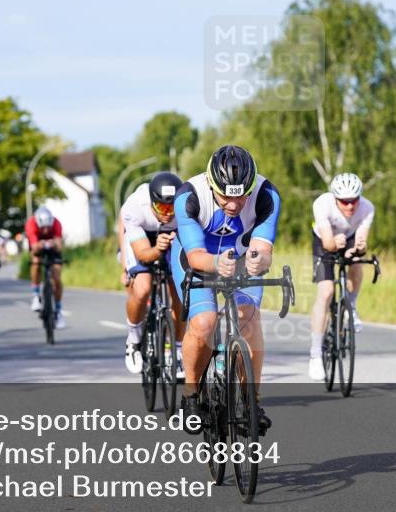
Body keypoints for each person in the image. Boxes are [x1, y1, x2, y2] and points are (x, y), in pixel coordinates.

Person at [171, 146, 280, 434]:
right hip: (197, 258)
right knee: (205, 321)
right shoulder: (188, 196)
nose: (233, 204)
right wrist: (216, 263)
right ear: (211, 184)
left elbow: (263, 247)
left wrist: (258, 260)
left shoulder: (267, 195)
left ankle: (252, 403)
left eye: (241, 195)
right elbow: (195, 256)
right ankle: (191, 396)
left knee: (248, 317)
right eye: (225, 196)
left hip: (239, 258)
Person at [308, 172, 375, 381]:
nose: (349, 206)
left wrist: (358, 248)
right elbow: (327, 242)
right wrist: (334, 243)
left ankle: (351, 307)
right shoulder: (322, 204)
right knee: (327, 291)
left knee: (356, 262)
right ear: (335, 198)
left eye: (353, 201)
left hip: (349, 238)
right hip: (324, 240)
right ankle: (316, 354)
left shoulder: (367, 208)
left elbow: (362, 240)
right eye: (344, 202)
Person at [116, 171, 183, 375]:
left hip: (170, 237)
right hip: (142, 237)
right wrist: (157, 249)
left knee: (181, 291)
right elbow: (143, 254)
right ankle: (134, 340)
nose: (168, 213)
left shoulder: (186, 207)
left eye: (172, 208)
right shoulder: (135, 206)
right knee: (143, 287)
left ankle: (177, 351)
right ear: (152, 202)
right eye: (162, 207)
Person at [26, 206, 66, 329]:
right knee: (36, 262)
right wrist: (42, 244)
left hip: (53, 249)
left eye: (48, 227)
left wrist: (53, 243)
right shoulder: (31, 224)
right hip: (37, 247)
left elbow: (59, 246)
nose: (45, 230)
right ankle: (36, 296)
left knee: (56, 276)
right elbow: (34, 247)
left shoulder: (56, 223)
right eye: (43, 228)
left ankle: (58, 311)